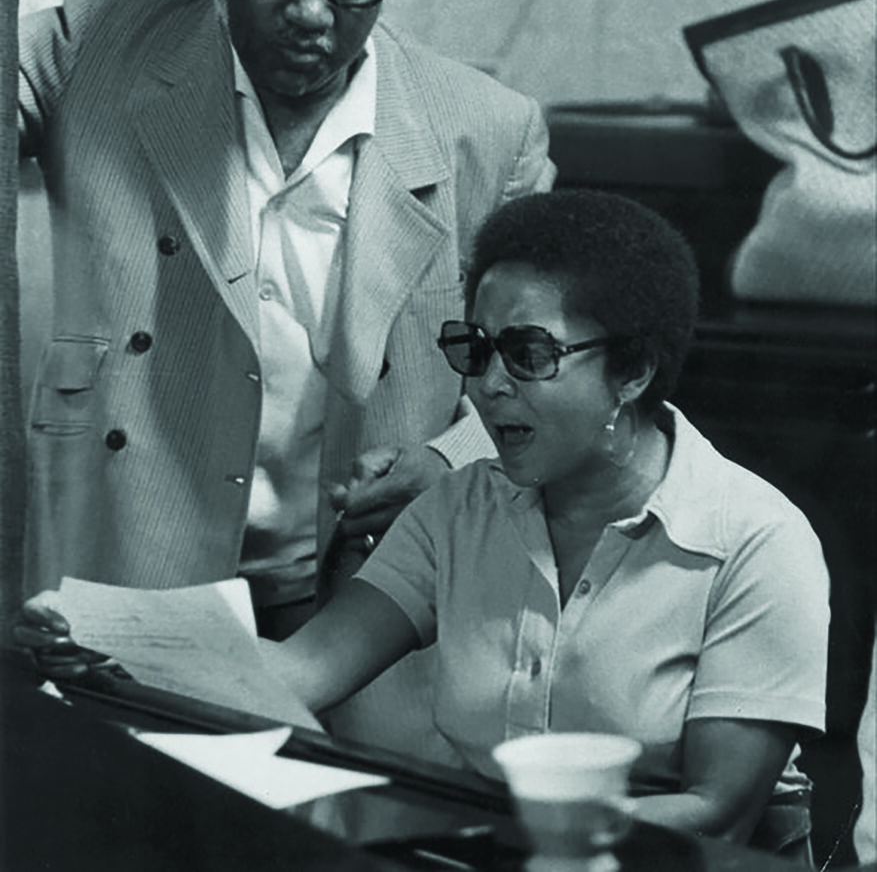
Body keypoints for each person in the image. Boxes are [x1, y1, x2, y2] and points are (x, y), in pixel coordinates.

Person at [18, 189, 830, 863]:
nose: (487, 387)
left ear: (634, 370)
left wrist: (517, 839)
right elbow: (299, 673)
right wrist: (104, 653)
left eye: (530, 355)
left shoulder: (755, 542)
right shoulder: (458, 508)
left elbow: (719, 813)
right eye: (473, 350)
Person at [8, 0, 553, 757]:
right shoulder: (93, 45)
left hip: (369, 606)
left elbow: (553, 355)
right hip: (135, 579)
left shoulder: (486, 130)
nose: (311, 14)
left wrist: (454, 455)